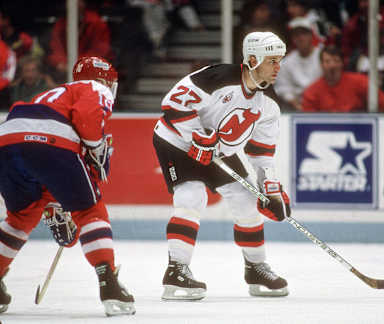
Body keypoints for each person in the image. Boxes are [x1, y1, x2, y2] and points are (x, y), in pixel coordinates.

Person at [153, 31, 290, 300]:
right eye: (272, 60)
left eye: (280, 60)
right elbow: (172, 104)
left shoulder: (269, 104)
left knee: (248, 200)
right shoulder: (217, 78)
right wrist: (196, 136)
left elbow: (261, 153)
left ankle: (256, 268)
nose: (278, 66)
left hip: (217, 150)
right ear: (253, 59)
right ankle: (176, 270)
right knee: (191, 196)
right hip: (176, 143)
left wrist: (270, 190)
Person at [0, 56, 135, 316]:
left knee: (20, 217)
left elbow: (43, 160)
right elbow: (85, 118)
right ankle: (109, 283)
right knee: (90, 211)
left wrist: (58, 205)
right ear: (104, 80)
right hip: (50, 139)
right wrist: (95, 149)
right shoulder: (94, 88)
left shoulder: (52, 93)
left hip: (7, 140)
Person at [302, 45, 384, 112]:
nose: (332, 65)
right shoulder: (312, 92)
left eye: (336, 61)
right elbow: (307, 120)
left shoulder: (360, 82)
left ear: (342, 64)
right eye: (327, 61)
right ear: (321, 65)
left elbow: (383, 102)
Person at [47, 0, 113, 82]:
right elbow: (55, 48)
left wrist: (78, 64)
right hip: (65, 73)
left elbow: (100, 51)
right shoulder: (61, 24)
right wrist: (60, 63)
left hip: (93, 73)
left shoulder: (96, 23)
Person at [274, 17, 323, 111]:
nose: (300, 38)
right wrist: (296, 104)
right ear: (293, 39)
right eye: (296, 35)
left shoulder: (323, 56)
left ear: (311, 35)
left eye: (304, 33)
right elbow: (282, 88)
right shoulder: (286, 62)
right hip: (296, 108)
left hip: (322, 106)